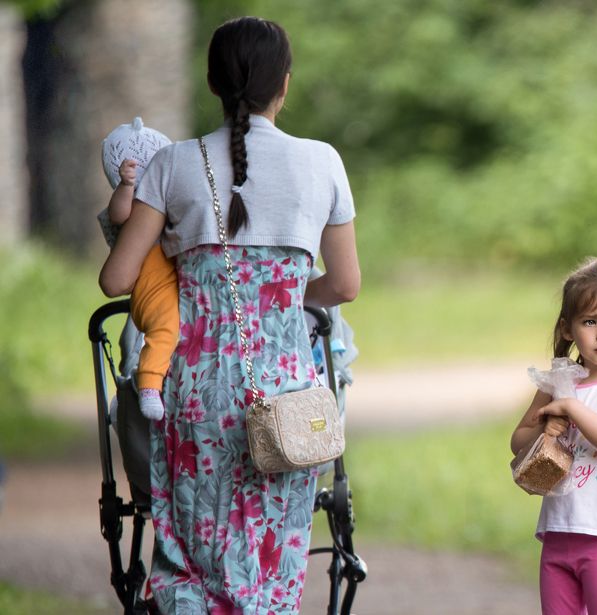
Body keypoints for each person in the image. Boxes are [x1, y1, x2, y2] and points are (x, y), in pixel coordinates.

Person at [99, 16, 361, 614]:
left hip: (193, 393)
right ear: (284, 85)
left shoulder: (172, 165)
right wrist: (284, 295)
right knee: (270, 564)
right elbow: (345, 285)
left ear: (212, 83)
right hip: (288, 400)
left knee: (189, 562)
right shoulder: (321, 162)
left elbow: (116, 278)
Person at [510, 257, 597, 615]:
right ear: (567, 329)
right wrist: (547, 427)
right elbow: (518, 441)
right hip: (558, 530)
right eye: (590, 321)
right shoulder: (558, 382)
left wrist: (572, 409)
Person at [98, 117, 176, 420]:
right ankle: (149, 383)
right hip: (152, 288)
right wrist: (126, 185)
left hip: (172, 282)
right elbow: (117, 215)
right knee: (164, 326)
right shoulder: (130, 207)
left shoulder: (168, 200)